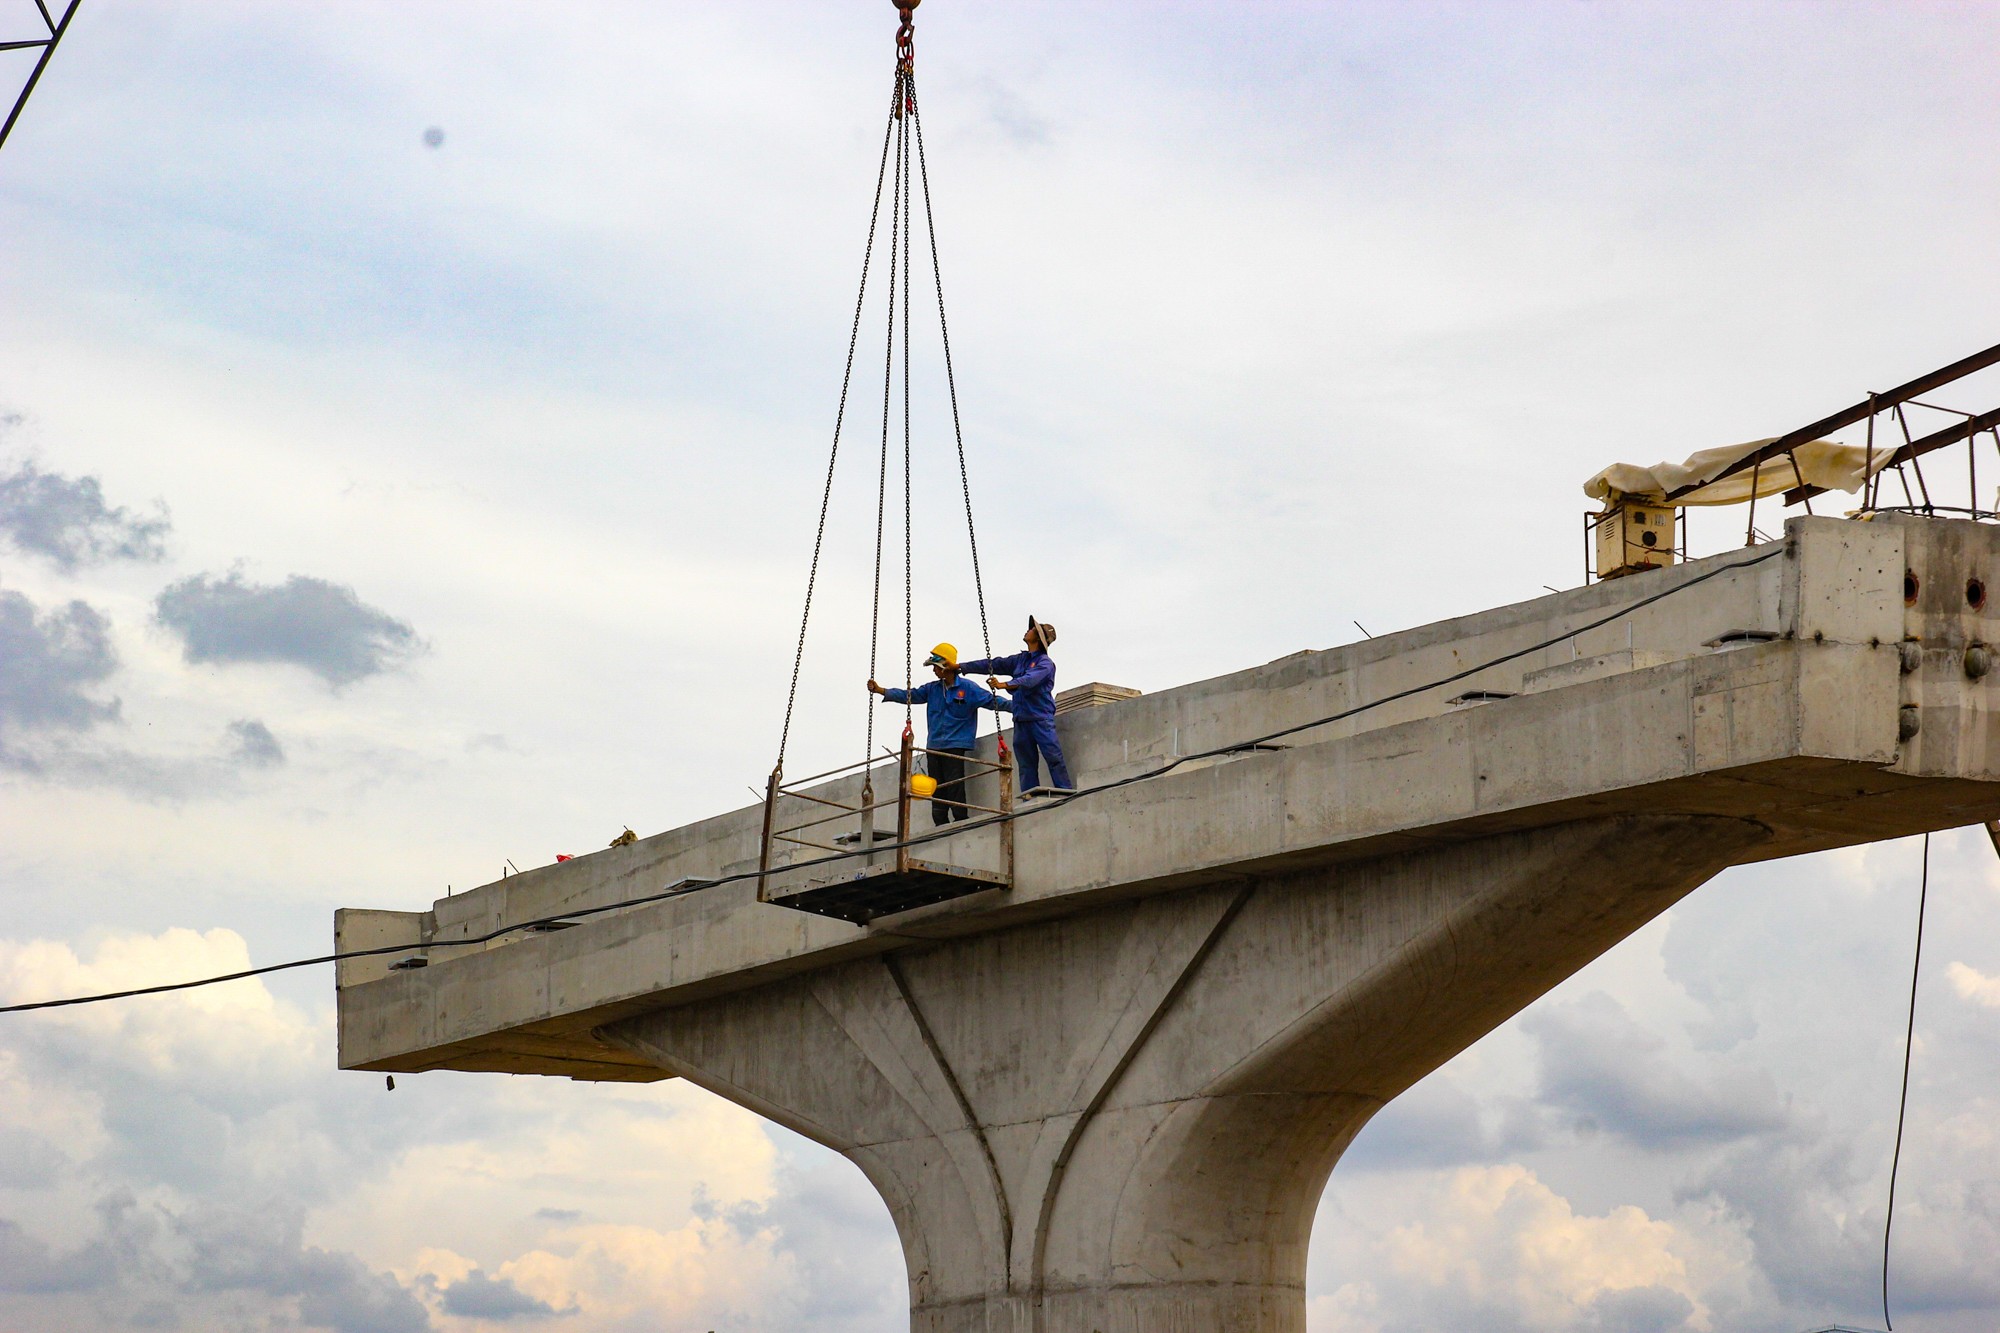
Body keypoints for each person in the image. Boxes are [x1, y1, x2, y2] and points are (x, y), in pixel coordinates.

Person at [868, 642, 1011, 824]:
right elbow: (909, 695)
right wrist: (881, 690)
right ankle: (940, 823)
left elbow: (993, 701)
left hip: (955, 745)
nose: (934, 671)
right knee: (937, 786)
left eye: (936, 667)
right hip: (934, 746)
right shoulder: (932, 689)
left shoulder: (968, 689)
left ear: (946, 667)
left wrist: (1019, 708)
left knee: (954, 784)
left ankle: (960, 820)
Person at [960, 616, 1072, 794]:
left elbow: (1030, 680)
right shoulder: (1020, 660)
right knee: (1026, 762)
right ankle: (1029, 793)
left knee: (1053, 756)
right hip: (1021, 718)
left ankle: (1064, 789)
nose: (1028, 630)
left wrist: (1004, 684)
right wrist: (962, 667)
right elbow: (994, 664)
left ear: (1038, 637)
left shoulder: (1045, 663)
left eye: (1032, 629)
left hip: (1040, 719)